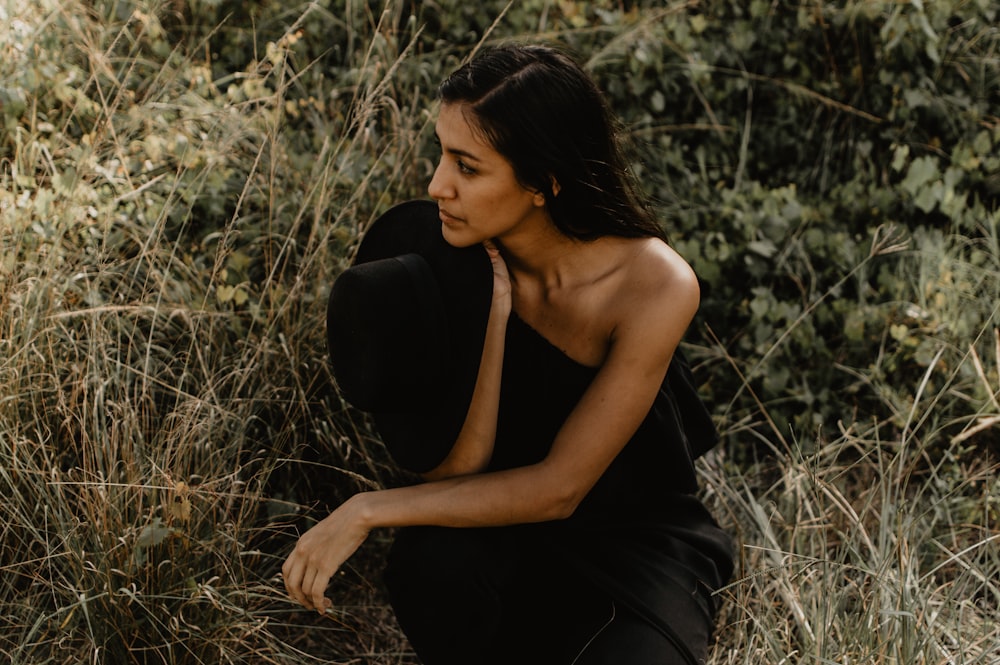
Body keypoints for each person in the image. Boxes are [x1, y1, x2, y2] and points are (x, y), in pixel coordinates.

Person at [282, 42, 734, 664]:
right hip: (501, 530)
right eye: (441, 154)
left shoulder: (654, 286)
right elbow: (456, 472)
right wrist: (491, 316)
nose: (439, 186)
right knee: (430, 566)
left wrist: (366, 509)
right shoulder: (445, 253)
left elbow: (560, 489)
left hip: (632, 543)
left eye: (467, 167)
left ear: (543, 182)